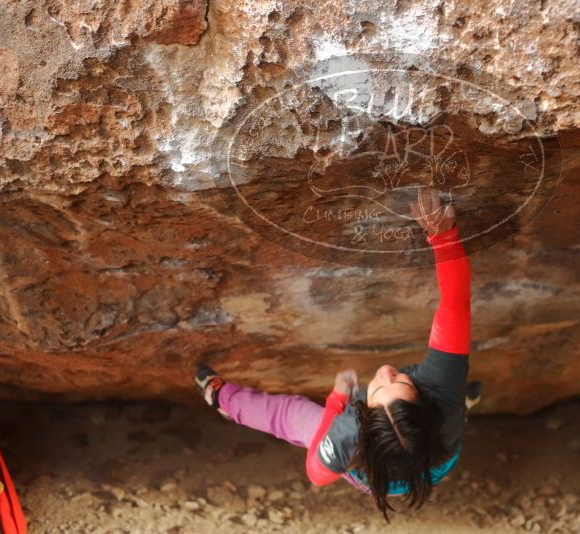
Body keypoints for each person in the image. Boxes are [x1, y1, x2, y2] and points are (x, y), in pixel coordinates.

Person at [195, 186, 479, 521]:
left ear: (364, 418)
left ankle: (225, 400)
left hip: (389, 468)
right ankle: (460, 408)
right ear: (424, 402)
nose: (386, 371)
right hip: (439, 450)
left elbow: (317, 474)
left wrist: (338, 399)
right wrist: (442, 235)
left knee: (291, 414)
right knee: (453, 403)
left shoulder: (347, 434)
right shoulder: (441, 389)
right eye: (401, 382)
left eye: (378, 388)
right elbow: (454, 307)